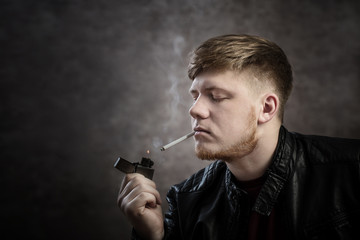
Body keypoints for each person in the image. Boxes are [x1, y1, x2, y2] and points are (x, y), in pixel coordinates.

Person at [117, 34, 360, 240]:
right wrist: (153, 236)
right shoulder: (186, 200)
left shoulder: (351, 172)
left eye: (216, 96)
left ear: (266, 108)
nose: (195, 110)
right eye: (195, 96)